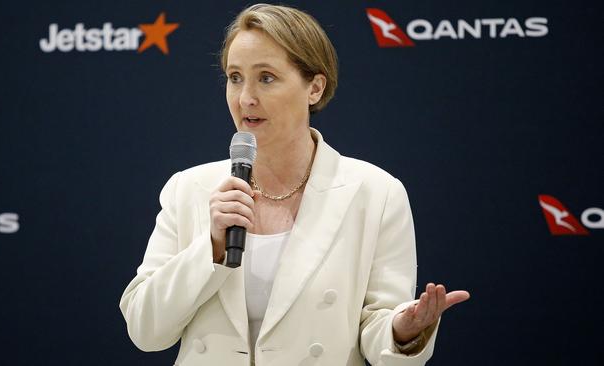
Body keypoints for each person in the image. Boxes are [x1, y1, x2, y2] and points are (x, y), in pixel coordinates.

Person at [119, 4, 470, 365]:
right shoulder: (188, 188)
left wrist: (403, 331)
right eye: (235, 77)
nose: (245, 98)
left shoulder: (376, 193)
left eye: (266, 77)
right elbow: (146, 331)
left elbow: (377, 330)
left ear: (314, 88)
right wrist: (209, 247)